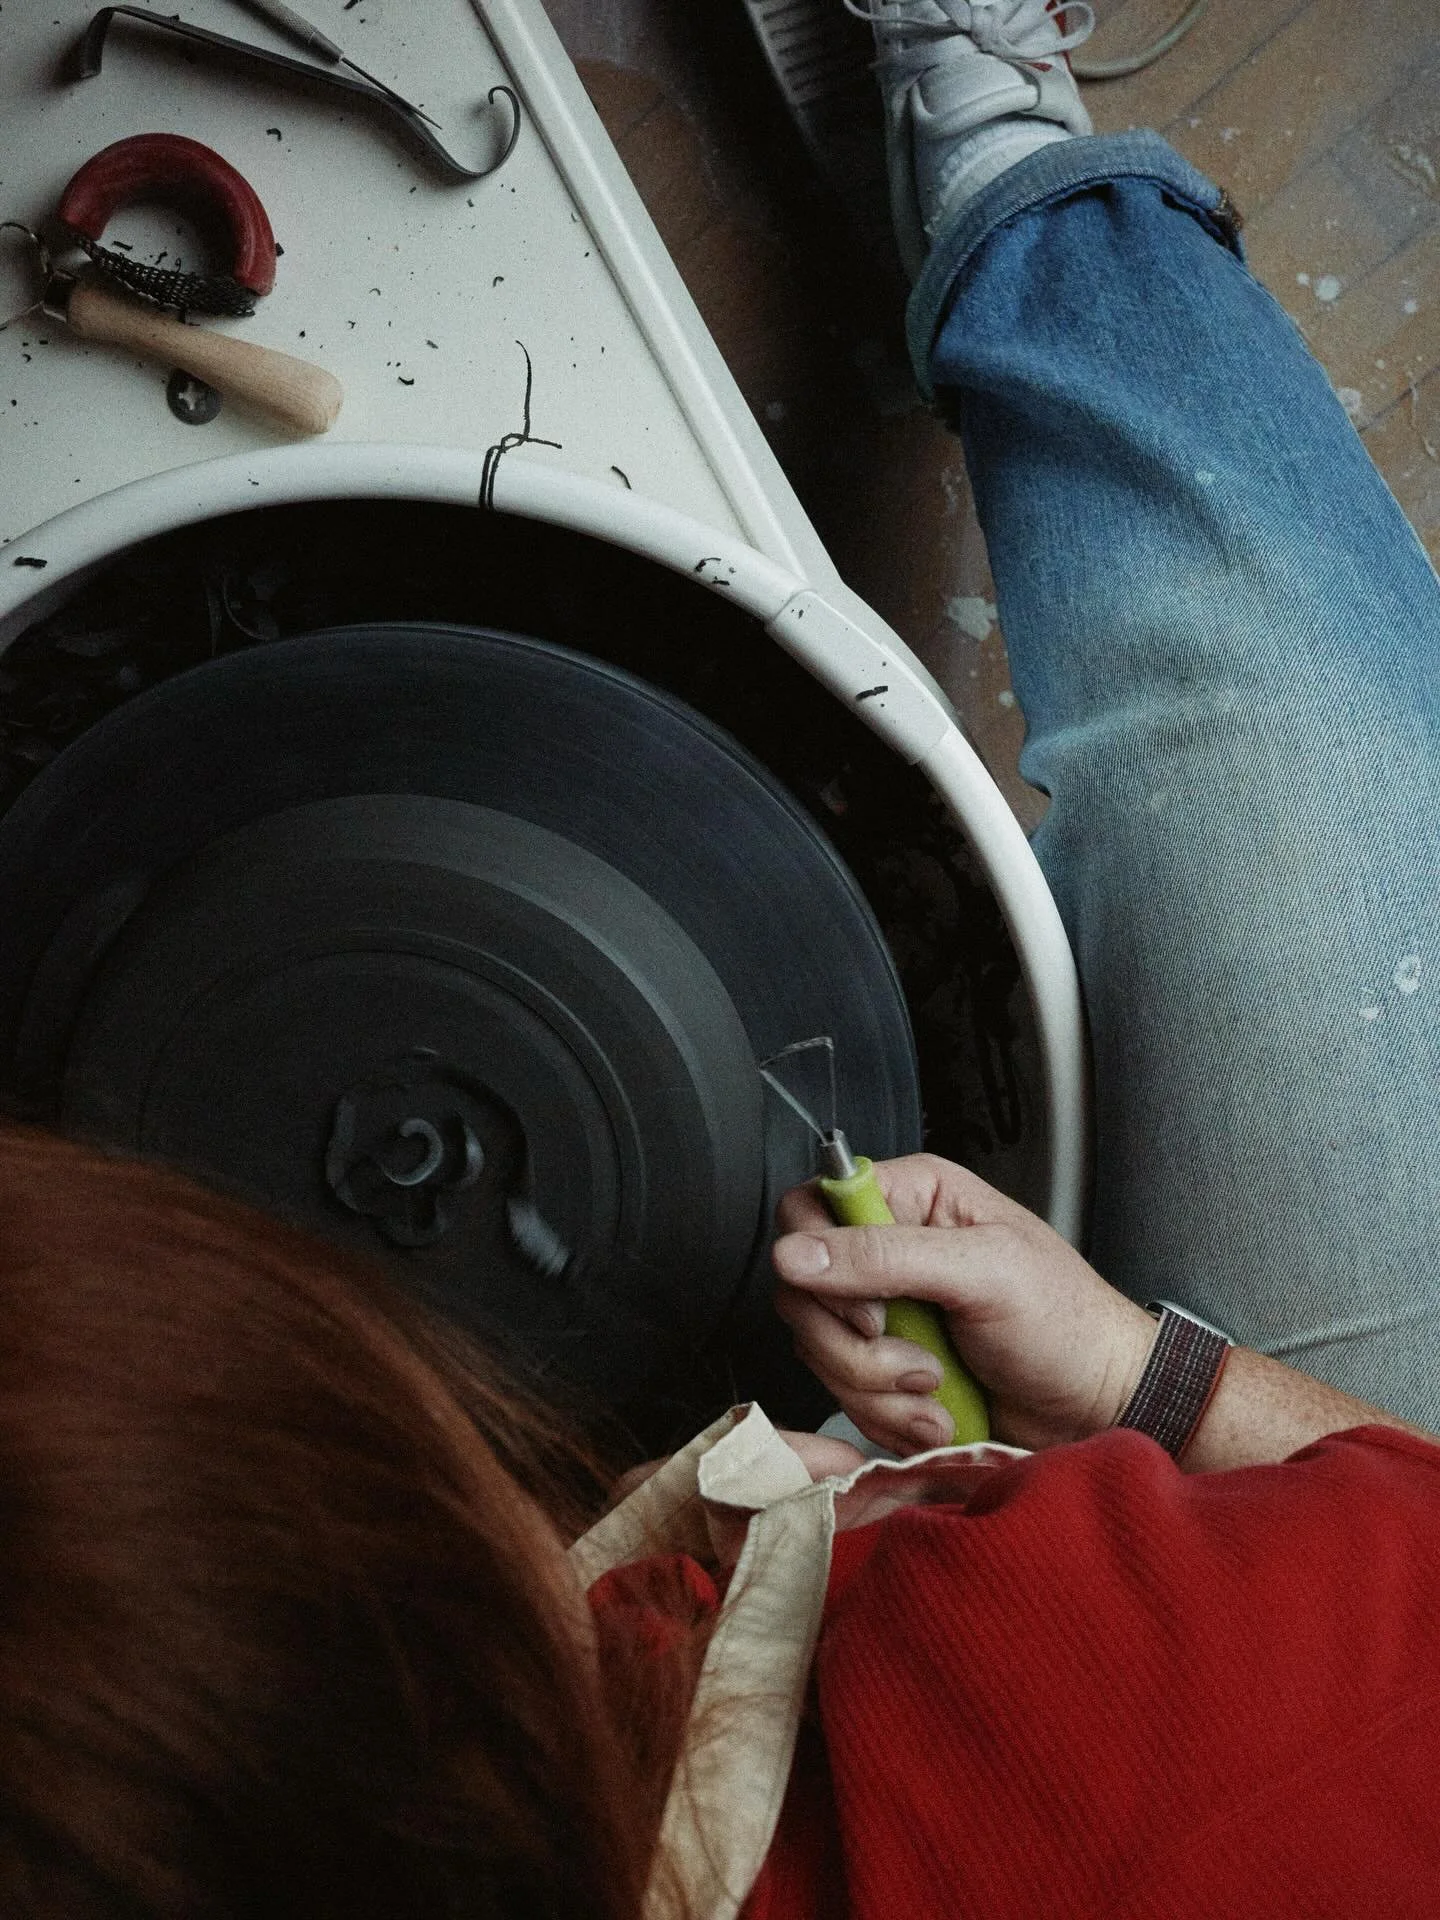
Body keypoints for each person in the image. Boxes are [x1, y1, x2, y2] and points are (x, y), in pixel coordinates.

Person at [2, 1, 1439, 1915]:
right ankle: (1031, 187)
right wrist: (1134, 1382)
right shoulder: (1214, 1756)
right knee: (1272, 692)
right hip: (1228, 1657)